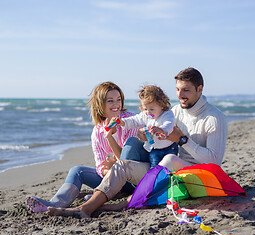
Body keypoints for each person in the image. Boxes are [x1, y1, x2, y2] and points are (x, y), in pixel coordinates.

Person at [46, 67, 228, 218]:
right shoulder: (176, 111)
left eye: (186, 90)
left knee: (170, 159)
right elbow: (148, 123)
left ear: (200, 89)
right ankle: (85, 208)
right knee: (123, 165)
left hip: (198, 175)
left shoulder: (214, 118)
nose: (180, 95)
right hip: (170, 171)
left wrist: (182, 140)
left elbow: (214, 162)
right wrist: (145, 137)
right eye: (178, 89)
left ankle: (125, 202)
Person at [25, 81, 140, 213]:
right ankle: (55, 203)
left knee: (127, 149)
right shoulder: (97, 132)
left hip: (134, 181)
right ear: (100, 103)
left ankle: (103, 196)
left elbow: (126, 163)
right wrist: (107, 171)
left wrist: (110, 139)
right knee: (77, 171)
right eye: (110, 101)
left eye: (118, 100)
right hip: (113, 179)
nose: (116, 105)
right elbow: (100, 166)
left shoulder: (130, 121)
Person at [118, 85, 178, 168]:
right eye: (145, 109)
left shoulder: (167, 114)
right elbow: (135, 120)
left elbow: (169, 124)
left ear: (162, 105)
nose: (148, 112)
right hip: (154, 149)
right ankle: (154, 180)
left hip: (169, 148)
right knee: (154, 168)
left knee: (169, 167)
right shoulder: (145, 115)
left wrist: (162, 129)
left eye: (152, 109)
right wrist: (123, 122)